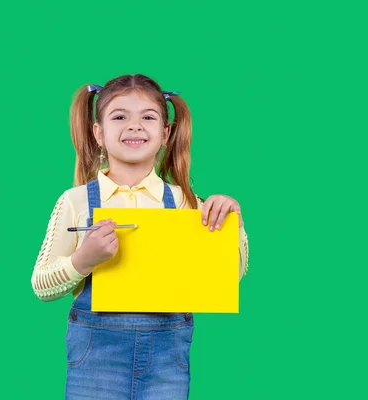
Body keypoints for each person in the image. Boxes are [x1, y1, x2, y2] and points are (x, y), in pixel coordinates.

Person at [30, 73, 249, 399]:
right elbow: (41, 285)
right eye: (120, 117)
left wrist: (234, 223)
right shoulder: (75, 201)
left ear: (165, 133)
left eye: (148, 117)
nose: (134, 126)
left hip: (166, 359)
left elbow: (229, 276)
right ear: (99, 133)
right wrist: (82, 260)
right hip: (95, 359)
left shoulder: (184, 202)